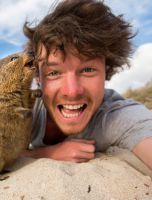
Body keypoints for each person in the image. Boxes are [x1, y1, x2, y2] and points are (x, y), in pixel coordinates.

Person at [21, 0, 152, 169]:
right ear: (38, 77)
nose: (72, 91)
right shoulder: (23, 109)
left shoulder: (117, 116)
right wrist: (48, 153)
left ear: (106, 70)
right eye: (53, 73)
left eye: (88, 69)